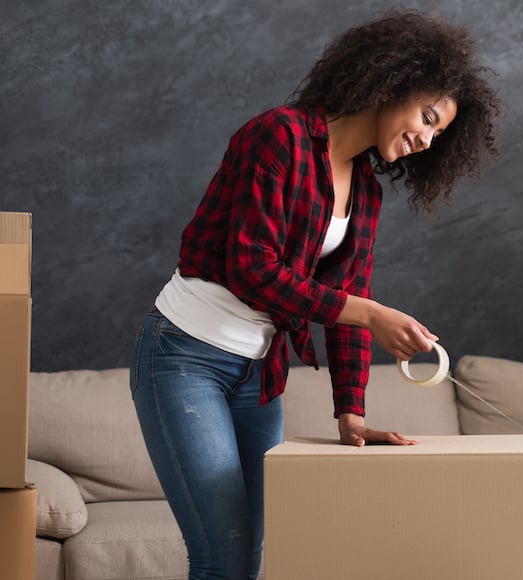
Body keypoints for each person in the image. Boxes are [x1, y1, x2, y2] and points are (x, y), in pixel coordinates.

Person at [129, 10, 502, 579]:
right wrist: (371, 313)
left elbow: (347, 302)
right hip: (184, 357)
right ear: (391, 84)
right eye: (427, 117)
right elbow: (252, 269)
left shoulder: (367, 194)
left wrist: (351, 414)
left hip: (259, 375)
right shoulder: (279, 135)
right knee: (222, 555)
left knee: (251, 553)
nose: (427, 138)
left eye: (439, 133)